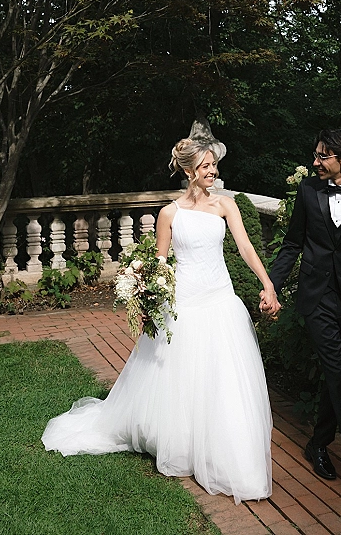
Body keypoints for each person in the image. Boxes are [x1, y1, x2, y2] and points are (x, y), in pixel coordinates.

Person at [42, 138, 280, 505]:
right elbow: (161, 262)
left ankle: (225, 446)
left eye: (214, 165)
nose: (213, 171)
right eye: (205, 166)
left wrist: (267, 284)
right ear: (188, 171)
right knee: (182, 376)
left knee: (224, 375)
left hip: (221, 299)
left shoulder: (225, 205)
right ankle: (183, 441)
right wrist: (146, 291)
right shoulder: (169, 213)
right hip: (184, 302)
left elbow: (246, 247)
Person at [263, 128, 341, 513]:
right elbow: (292, 244)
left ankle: (318, 444)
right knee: (339, 378)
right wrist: (272, 285)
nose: (315, 162)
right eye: (316, 155)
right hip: (316, 299)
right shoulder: (308, 191)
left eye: (323, 156)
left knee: (340, 377)